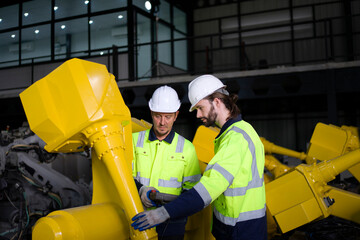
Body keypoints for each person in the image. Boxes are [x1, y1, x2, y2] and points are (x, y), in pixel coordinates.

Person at [132, 75, 267, 240]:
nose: (197, 115)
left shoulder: (236, 138)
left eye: (200, 108)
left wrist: (163, 213)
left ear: (216, 101)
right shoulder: (237, 133)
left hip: (242, 230)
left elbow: (208, 188)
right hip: (240, 228)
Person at [132, 85, 201, 240]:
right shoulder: (134, 141)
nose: (162, 122)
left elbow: (192, 191)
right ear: (151, 113)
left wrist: (170, 210)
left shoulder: (187, 148)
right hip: (139, 216)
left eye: (168, 116)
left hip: (173, 222)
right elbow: (125, 177)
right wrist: (142, 189)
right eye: (158, 116)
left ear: (176, 115)